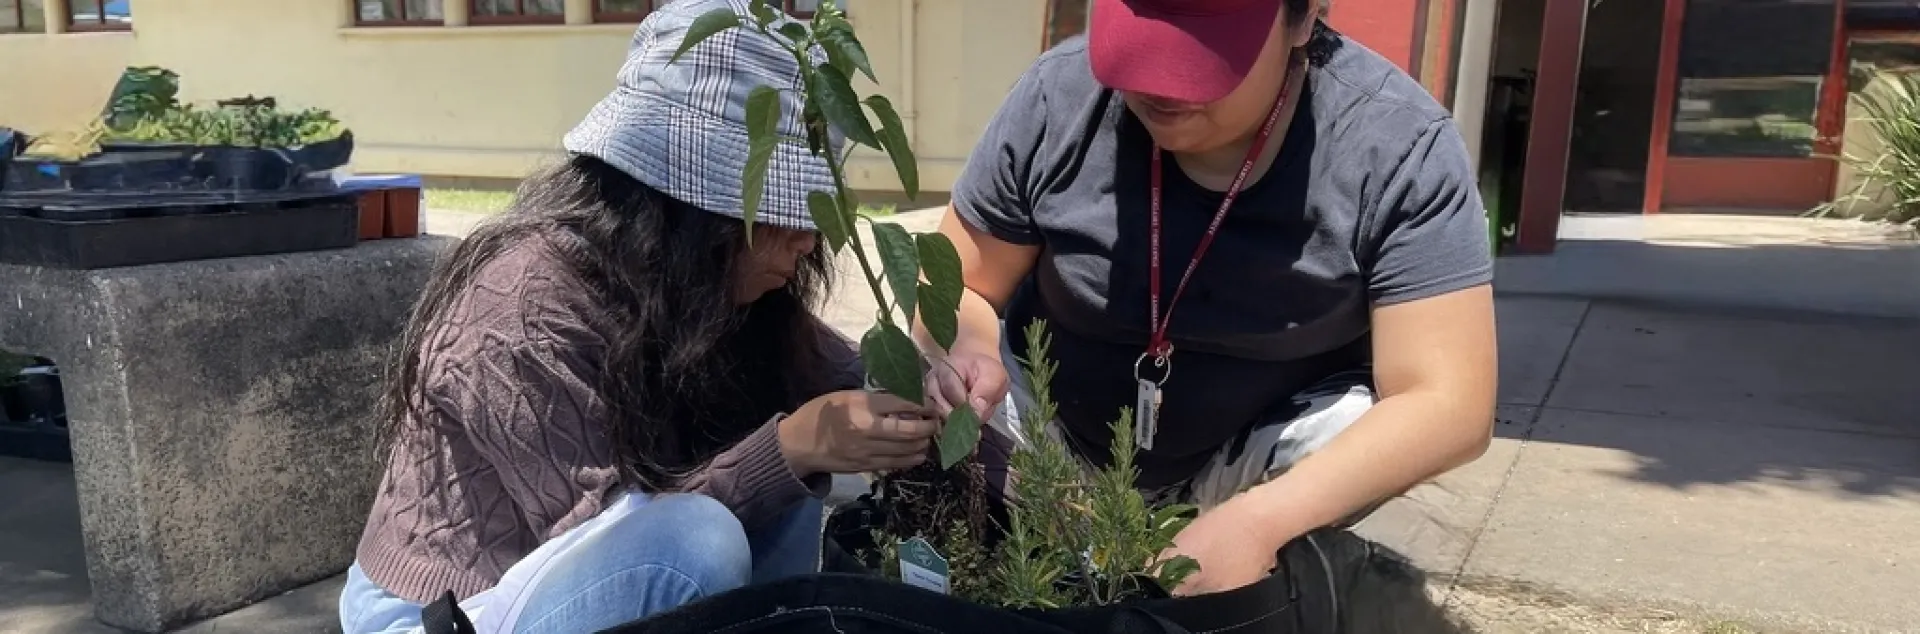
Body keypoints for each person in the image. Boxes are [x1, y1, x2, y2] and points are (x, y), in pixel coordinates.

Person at [337, 2, 940, 632]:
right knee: (707, 530)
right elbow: (622, 547)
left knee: (787, 429)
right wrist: (792, 447)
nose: (810, 240)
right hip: (452, 608)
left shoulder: (706, 288)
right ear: (686, 209)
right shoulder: (518, 314)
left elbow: (854, 376)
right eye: (783, 208)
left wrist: (939, 394)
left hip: (599, 573)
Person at [923, 0, 1499, 598]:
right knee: (913, 378)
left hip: (1253, 472)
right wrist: (968, 349)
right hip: (1051, 450)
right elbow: (954, 283)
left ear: (1303, 20)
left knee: (1355, 421)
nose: (1158, 85)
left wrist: (1259, 522)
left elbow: (1448, 401)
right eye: (1142, 43)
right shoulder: (1058, 97)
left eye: (1203, 54)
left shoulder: (1397, 145)